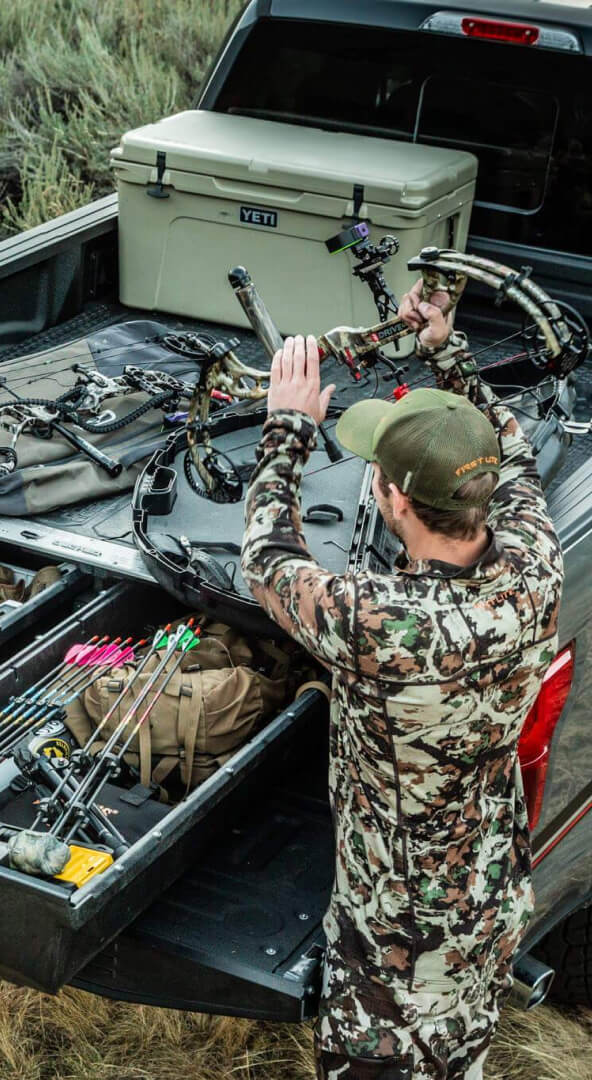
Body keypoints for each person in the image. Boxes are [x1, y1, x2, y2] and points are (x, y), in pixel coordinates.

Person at [240, 282, 563, 1080]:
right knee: (465, 1054)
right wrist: (445, 353)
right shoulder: (535, 560)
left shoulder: (378, 622)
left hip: (395, 947)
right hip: (487, 895)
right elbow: (513, 449)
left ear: (394, 500)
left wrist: (287, 431)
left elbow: (266, 560)